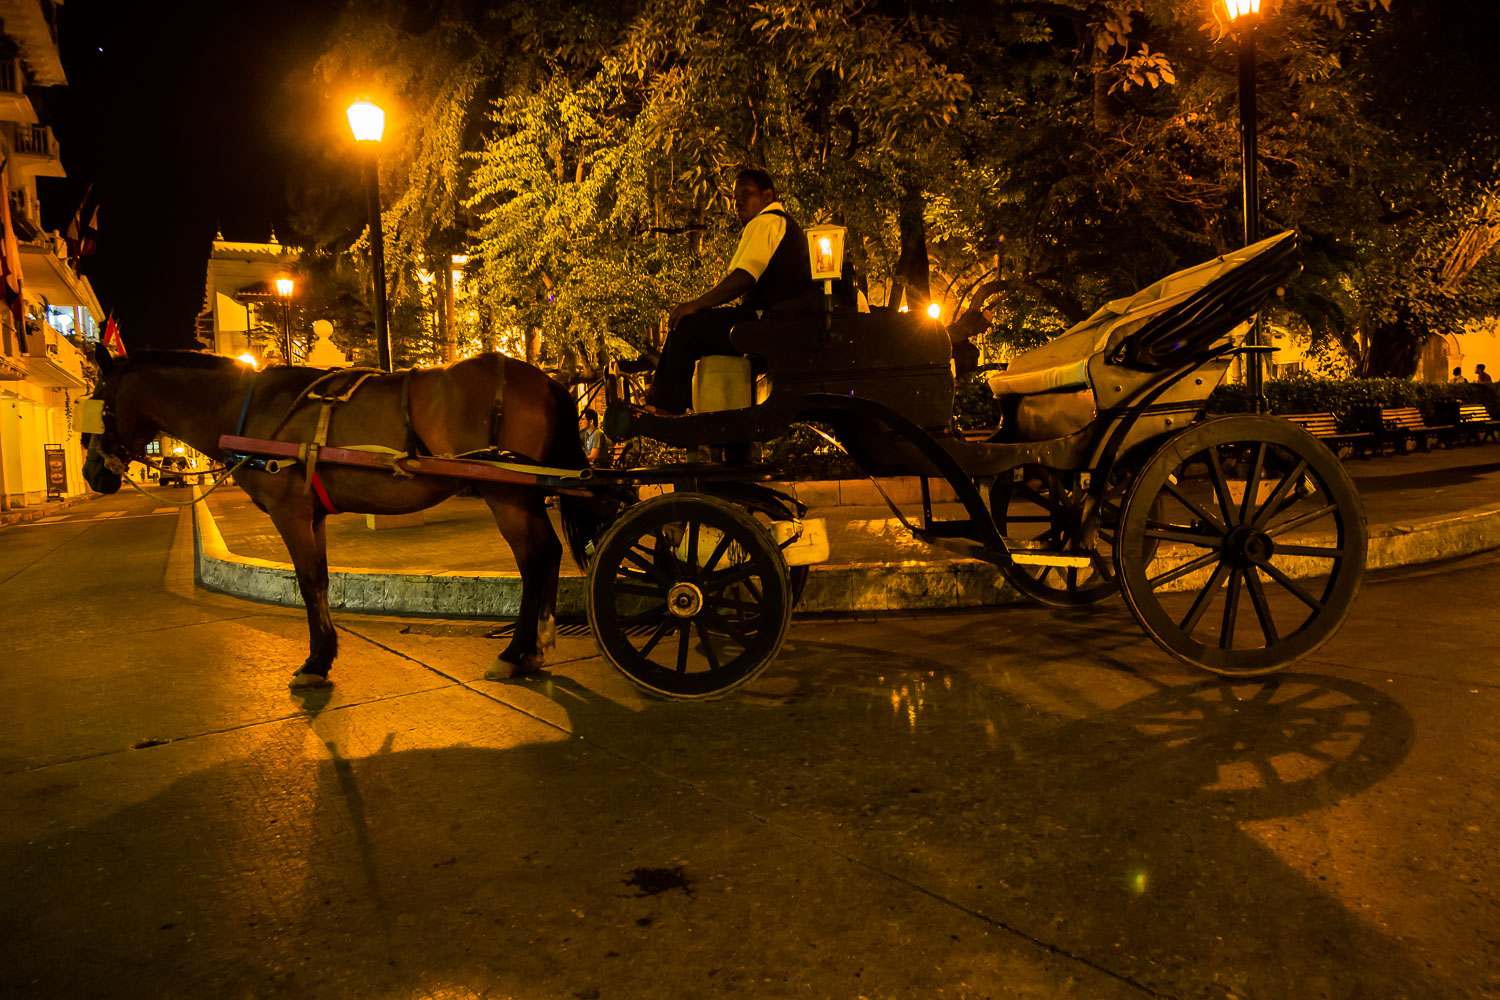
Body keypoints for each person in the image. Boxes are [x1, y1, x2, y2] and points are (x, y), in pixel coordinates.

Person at [644, 168, 813, 414]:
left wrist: (696, 304)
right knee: (700, 327)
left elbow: (744, 276)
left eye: (747, 193)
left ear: (768, 196)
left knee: (687, 325)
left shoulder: (767, 221)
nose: (739, 201)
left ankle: (665, 407)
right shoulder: (779, 224)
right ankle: (703, 405)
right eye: (736, 197)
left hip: (763, 323)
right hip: (773, 322)